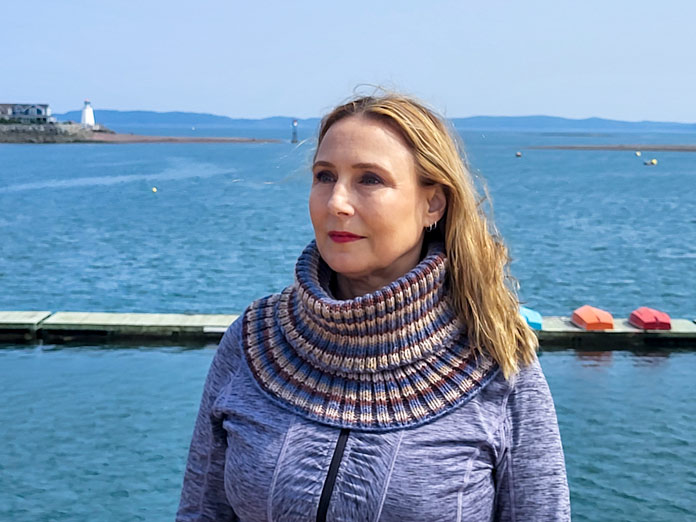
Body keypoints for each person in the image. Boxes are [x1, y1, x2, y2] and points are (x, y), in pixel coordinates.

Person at [177, 93, 570, 521]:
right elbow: (201, 512)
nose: (336, 203)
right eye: (324, 176)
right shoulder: (253, 340)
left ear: (432, 203)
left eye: (370, 180)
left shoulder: (497, 361)